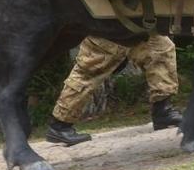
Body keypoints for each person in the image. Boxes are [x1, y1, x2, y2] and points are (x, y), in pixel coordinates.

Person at [46, 34, 183, 145]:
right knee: (89, 71)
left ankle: (162, 110)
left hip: (136, 23)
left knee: (160, 51)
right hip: (106, 26)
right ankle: (60, 125)